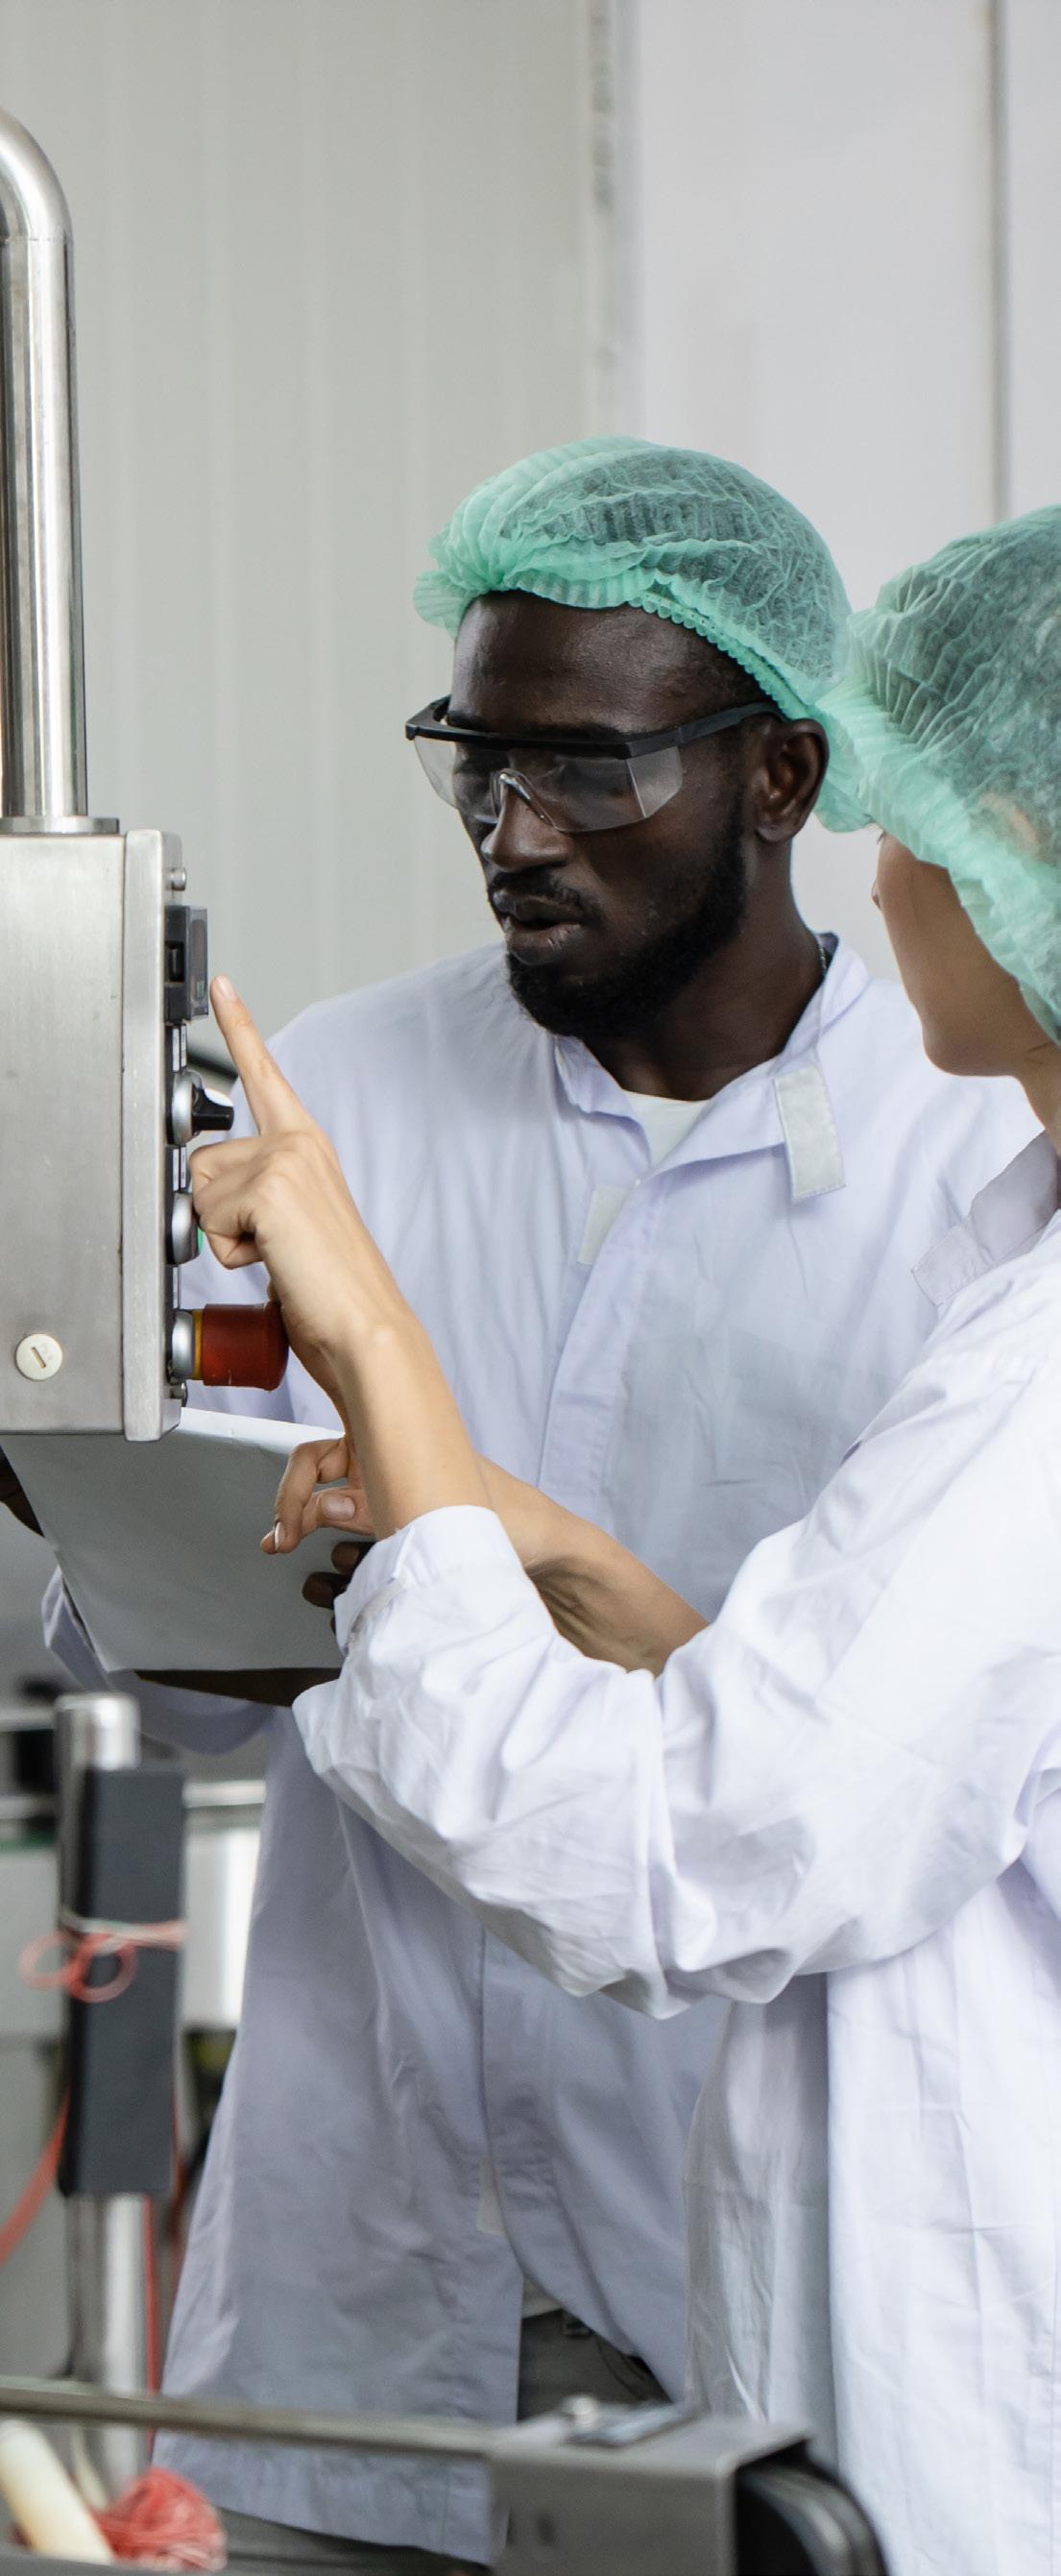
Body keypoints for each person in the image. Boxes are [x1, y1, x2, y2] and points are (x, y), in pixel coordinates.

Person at [35, 445, 1030, 2574]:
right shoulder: (345, 1092)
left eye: (591, 771)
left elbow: (723, 1827)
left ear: (781, 776)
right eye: (477, 767)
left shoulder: (974, 1173)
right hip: (360, 2283)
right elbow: (190, 1686)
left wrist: (429, 1497)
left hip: (756, 2267)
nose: (515, 832)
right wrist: (121, 1482)